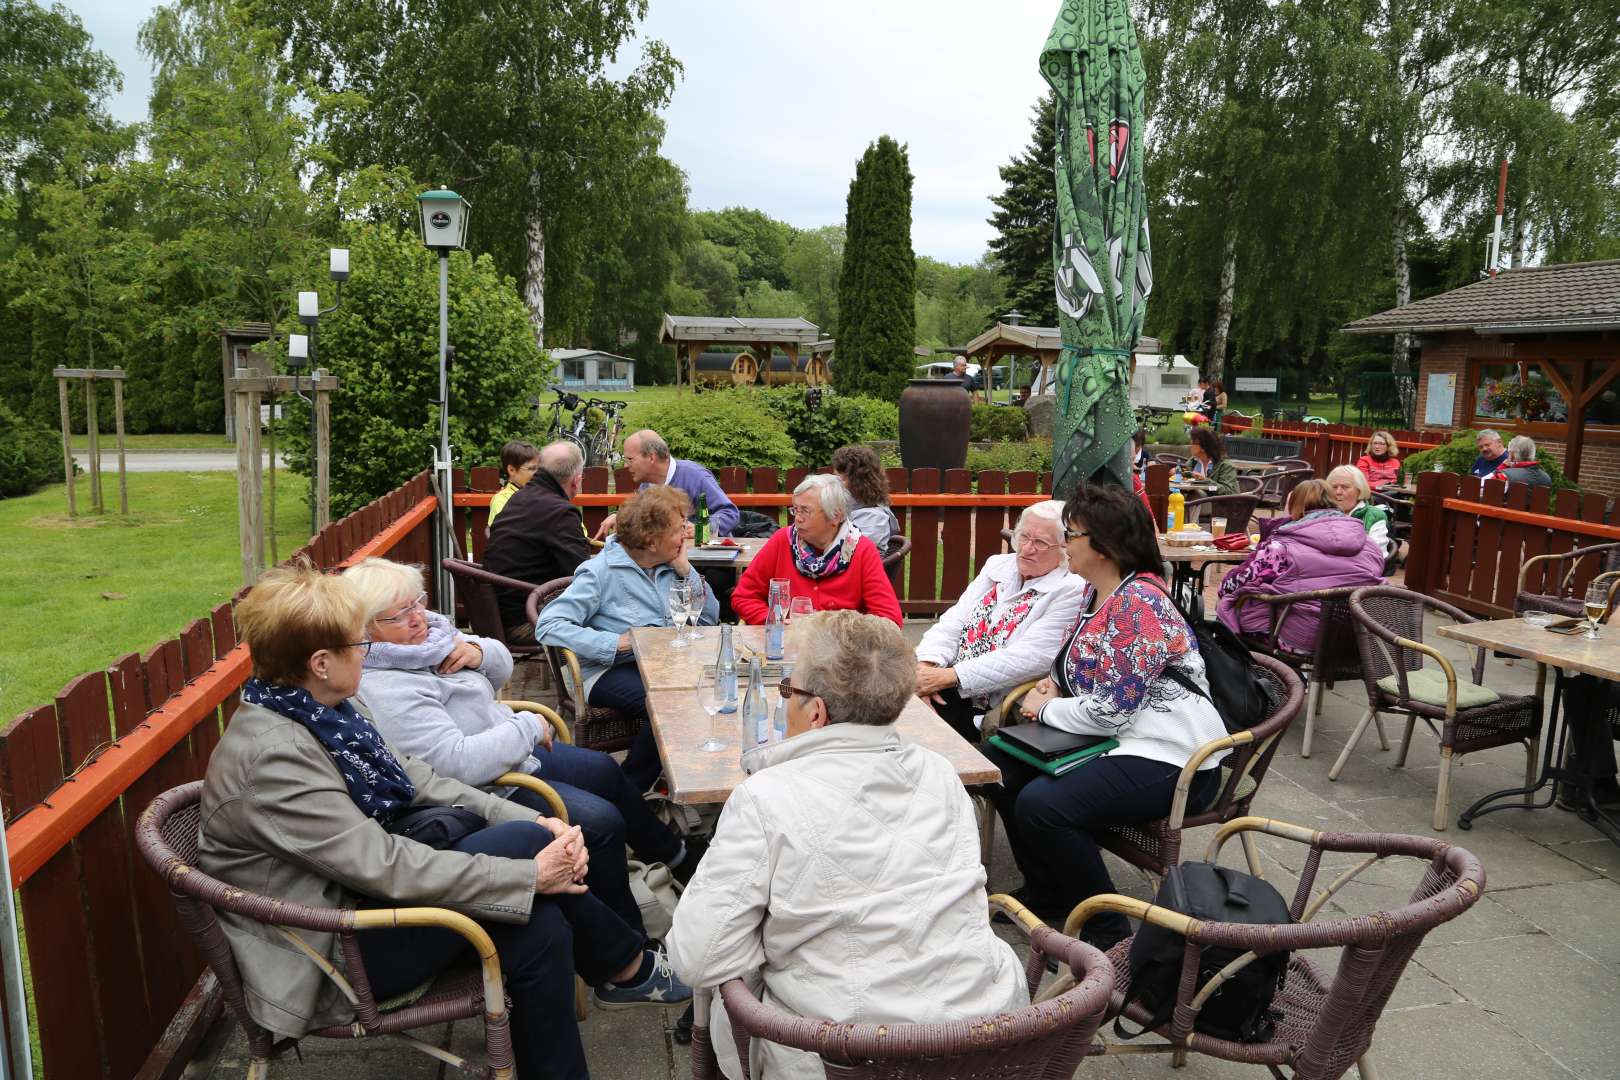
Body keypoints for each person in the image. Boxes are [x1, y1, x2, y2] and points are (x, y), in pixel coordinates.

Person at [198, 564, 688, 1080]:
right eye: (356, 645)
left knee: (538, 922)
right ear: (321, 663)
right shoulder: (275, 759)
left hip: (366, 893)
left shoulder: (324, 708)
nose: (365, 652)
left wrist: (539, 824)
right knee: (527, 863)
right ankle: (624, 966)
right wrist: (529, 871)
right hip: (328, 947)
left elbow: (419, 779)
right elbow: (383, 866)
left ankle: (616, 977)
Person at [667, 611, 1026, 1080]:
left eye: (786, 691)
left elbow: (697, 956)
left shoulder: (765, 797)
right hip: (981, 1041)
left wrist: (772, 938)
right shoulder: (941, 773)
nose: (785, 703)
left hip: (839, 1057)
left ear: (815, 711)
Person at [345, 557, 704, 927]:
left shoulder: (430, 641)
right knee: (601, 822)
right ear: (365, 629)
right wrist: (529, 727)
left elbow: (502, 665)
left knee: (604, 770)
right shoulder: (388, 686)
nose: (418, 616)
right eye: (399, 614)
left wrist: (479, 653)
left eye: (417, 602)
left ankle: (675, 854)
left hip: (512, 749)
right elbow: (456, 764)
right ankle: (628, 930)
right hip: (487, 783)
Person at [984, 485, 1227, 951]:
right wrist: (1055, 681)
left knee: (1044, 805)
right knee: (1000, 759)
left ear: (1104, 545)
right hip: (1123, 739)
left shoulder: (1141, 605)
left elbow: (1111, 710)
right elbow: (1074, 659)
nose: (1065, 543)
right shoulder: (1094, 594)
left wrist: (1046, 706)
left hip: (1175, 755)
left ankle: (1106, 931)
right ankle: (1049, 891)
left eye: (1071, 534)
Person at [536, 486, 720, 793]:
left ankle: (671, 781)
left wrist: (686, 570)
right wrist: (615, 643)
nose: (685, 536)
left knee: (710, 695)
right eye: (678, 530)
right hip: (606, 671)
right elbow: (548, 625)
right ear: (651, 539)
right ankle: (629, 791)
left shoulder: (669, 567)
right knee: (669, 707)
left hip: (663, 667)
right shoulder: (600, 573)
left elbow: (708, 619)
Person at [914, 501, 1085, 742]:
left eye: (1041, 543)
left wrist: (948, 677)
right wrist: (927, 666)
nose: (1027, 549)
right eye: (1023, 537)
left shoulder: (1071, 589)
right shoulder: (998, 565)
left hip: (997, 707)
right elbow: (954, 621)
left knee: (906, 721)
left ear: (1064, 549)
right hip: (948, 682)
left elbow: (1030, 657)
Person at [1216, 480, 1385, 655]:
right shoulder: (1370, 543)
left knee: (1229, 603)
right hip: (1356, 637)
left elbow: (1233, 584)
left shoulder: (1281, 547)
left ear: (1295, 506)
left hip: (1300, 638)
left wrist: (1225, 588)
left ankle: (1240, 674)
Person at [731, 474, 902, 627]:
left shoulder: (861, 550)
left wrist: (847, 634)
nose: (797, 518)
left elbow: (889, 618)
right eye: (795, 509)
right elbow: (744, 596)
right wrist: (775, 621)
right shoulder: (783, 540)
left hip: (841, 652)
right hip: (787, 644)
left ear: (835, 515)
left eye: (805, 511)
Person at [482, 441, 594, 643]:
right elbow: (583, 574)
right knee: (615, 620)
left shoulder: (520, 497)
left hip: (497, 614)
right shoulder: (559, 512)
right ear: (576, 481)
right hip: (526, 619)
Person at [595, 429, 738, 538]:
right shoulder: (646, 485)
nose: (625, 466)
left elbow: (730, 513)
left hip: (709, 562)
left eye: (630, 459)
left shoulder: (694, 476)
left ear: (651, 457)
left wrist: (702, 529)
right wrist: (620, 517)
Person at [831, 444, 899, 548]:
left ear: (858, 482)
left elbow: (850, 554)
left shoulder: (874, 519)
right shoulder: (849, 507)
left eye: (840, 479)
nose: (834, 484)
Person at [1326, 464, 1392, 554]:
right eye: (1334, 487)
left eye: (1345, 487)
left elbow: (1376, 554)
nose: (1338, 492)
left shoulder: (1374, 516)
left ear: (1359, 490)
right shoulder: (1322, 513)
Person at [488, 440, 541, 526]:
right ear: (511, 470)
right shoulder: (501, 500)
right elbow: (502, 535)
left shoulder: (539, 493)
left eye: (539, 468)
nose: (538, 473)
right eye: (531, 468)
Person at [1187, 425, 1238, 494]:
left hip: (1216, 503)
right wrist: (1179, 474)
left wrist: (1205, 481)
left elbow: (1230, 491)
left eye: (1193, 443)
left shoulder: (1225, 465)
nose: (1190, 445)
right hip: (1193, 502)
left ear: (1203, 447)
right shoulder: (1192, 462)